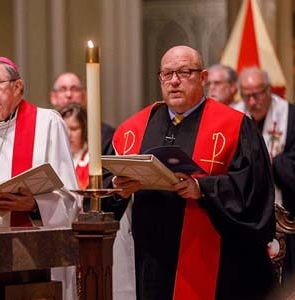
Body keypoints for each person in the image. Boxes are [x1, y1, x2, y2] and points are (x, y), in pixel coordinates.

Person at [109, 46, 275, 299]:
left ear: (203, 78)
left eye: (185, 72)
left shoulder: (234, 127)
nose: (174, 81)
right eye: (167, 74)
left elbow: (254, 193)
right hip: (152, 260)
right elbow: (102, 200)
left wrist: (203, 189)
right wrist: (119, 192)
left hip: (214, 261)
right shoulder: (134, 129)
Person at [0, 57, 79, 300]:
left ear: (18, 87)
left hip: (37, 248)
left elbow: (71, 197)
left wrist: (33, 207)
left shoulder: (47, 122)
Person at [234, 67, 295, 283]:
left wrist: (275, 163)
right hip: (246, 217)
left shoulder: (290, 116)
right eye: (246, 95)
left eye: (258, 94)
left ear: (269, 90)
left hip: (286, 215)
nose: (252, 101)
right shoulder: (232, 118)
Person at [59, 103, 114, 190]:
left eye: (74, 129)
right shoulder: (53, 157)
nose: (68, 134)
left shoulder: (93, 159)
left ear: (84, 129)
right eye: (64, 128)